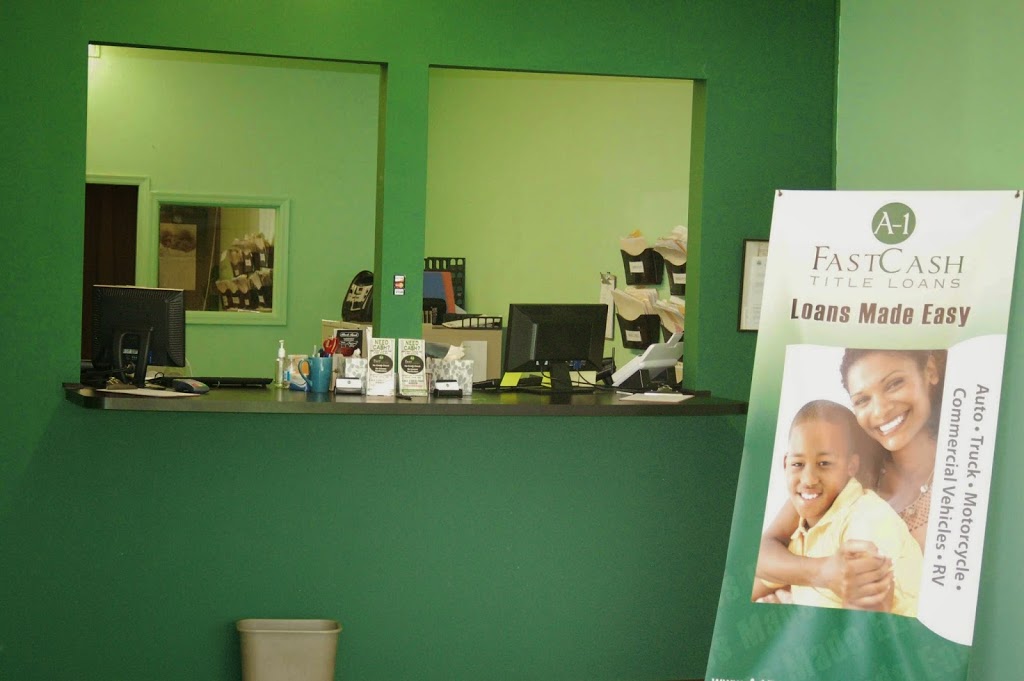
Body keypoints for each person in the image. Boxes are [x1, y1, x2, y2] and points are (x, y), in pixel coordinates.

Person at [755, 348, 945, 610]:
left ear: (930, 371)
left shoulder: (967, 478)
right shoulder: (846, 465)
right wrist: (821, 574)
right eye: (862, 399)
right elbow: (764, 552)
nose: (880, 411)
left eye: (894, 384)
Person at [752, 400, 922, 615]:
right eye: (798, 464)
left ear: (852, 466)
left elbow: (866, 624)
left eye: (824, 463)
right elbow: (759, 563)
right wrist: (822, 573)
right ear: (786, 463)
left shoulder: (867, 519)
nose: (808, 479)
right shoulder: (807, 514)